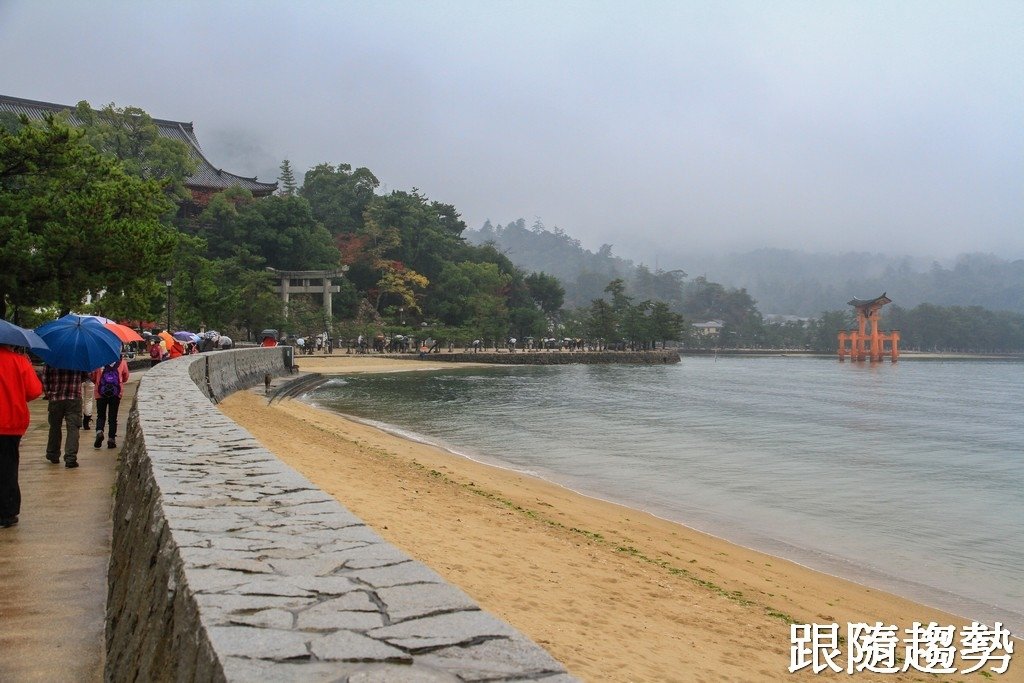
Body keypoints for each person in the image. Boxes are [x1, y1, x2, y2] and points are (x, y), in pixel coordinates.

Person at [0, 344, 44, 528]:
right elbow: (34, 391)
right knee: (8, 466)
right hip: (11, 423)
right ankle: (7, 513)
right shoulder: (19, 361)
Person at [42, 363, 90, 468]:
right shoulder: (78, 360)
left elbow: (45, 378)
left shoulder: (51, 360)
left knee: (54, 427)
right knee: (73, 428)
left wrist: (49, 393)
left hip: (55, 399)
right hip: (74, 398)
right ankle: (70, 458)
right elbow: (86, 376)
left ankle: (53, 454)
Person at [92, 356, 130, 449]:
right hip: (115, 394)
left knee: (100, 415)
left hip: (101, 393)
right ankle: (111, 439)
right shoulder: (122, 362)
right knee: (113, 417)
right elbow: (125, 377)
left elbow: (93, 376)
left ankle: (99, 431)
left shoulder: (98, 360)